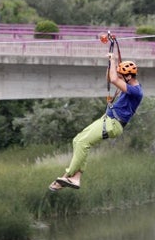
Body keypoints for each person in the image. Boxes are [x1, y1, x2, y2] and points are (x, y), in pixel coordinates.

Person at [48, 53, 143, 191]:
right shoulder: (128, 85)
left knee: (83, 143)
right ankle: (76, 178)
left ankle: (67, 176)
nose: (121, 78)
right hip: (108, 120)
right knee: (78, 140)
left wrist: (113, 60)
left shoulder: (136, 91)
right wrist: (111, 63)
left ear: (129, 76)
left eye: (123, 76)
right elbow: (111, 78)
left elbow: (115, 79)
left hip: (113, 124)